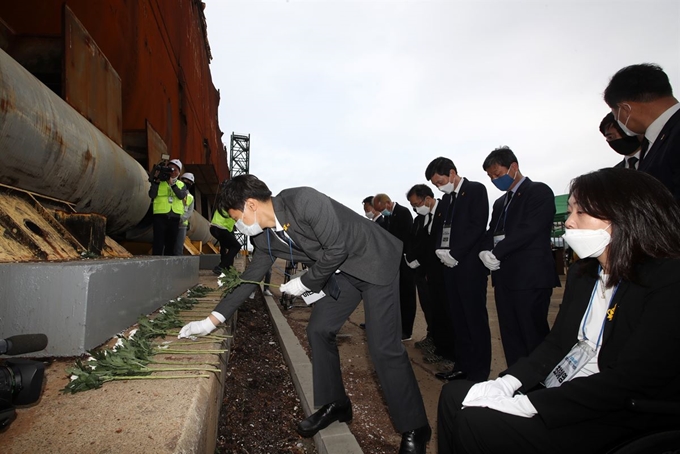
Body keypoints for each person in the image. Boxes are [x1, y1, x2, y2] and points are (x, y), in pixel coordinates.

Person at [179, 175, 431, 453]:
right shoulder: (263, 237)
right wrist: (210, 321)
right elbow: (250, 279)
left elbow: (338, 248)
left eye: (235, 216)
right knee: (319, 329)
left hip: (373, 260)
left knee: (383, 346)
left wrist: (306, 282)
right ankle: (337, 404)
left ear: (250, 205)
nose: (237, 224)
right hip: (343, 271)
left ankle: (416, 428)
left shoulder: (303, 200)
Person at [438, 167, 680, 454]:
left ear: (624, 215)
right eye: (570, 212)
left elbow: (631, 380)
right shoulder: (584, 272)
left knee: (476, 422)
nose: (569, 223)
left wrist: (529, 403)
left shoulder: (666, 279)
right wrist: (508, 383)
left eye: (581, 213)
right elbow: (557, 343)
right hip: (568, 388)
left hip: (620, 410)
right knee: (454, 396)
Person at [479, 146, 560, 368]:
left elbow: (530, 229)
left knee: (532, 332)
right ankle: (516, 379)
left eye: (497, 174)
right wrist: (484, 250)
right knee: (510, 333)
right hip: (504, 276)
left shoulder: (539, 192)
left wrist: (497, 252)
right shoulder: (500, 203)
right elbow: (492, 231)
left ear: (513, 167)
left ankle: (539, 384)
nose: (494, 180)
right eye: (490, 177)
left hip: (530, 276)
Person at [424, 157, 491, 383]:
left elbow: (478, 226)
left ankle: (479, 372)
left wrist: (457, 253)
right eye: (435, 185)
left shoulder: (475, 190)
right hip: (449, 268)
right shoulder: (446, 200)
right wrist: (441, 252)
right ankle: (462, 366)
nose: (438, 187)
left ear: (452, 173)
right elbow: (440, 232)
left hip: (470, 267)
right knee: (458, 320)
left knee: (474, 320)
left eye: (440, 181)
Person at [604, 63, 680, 200]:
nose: (617, 120)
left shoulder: (674, 134)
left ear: (625, 109)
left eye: (615, 115)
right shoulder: (653, 142)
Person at [373, 193, 417, 341]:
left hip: (405, 261)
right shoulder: (388, 217)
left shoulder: (403, 213)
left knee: (407, 297)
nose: (381, 212)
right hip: (395, 262)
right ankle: (398, 327)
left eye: (381, 208)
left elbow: (405, 238)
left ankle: (407, 330)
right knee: (398, 296)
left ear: (386, 203)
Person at [404, 184, 436, 349]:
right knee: (426, 306)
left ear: (427, 199)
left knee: (436, 307)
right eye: (413, 206)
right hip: (419, 272)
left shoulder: (438, 216)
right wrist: (409, 257)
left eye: (417, 204)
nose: (416, 208)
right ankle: (431, 335)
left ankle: (439, 341)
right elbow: (412, 242)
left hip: (433, 272)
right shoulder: (418, 220)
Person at [148, 158, 188, 256]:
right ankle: (156, 265)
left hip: (174, 218)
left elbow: (181, 195)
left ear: (179, 172)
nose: (172, 171)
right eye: (170, 168)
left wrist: (172, 184)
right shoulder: (159, 182)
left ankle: (168, 267)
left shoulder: (181, 184)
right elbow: (152, 195)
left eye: (175, 169)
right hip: (160, 216)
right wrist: (156, 181)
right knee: (158, 242)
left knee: (171, 244)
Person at [209, 205, 241, 275]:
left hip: (215, 228)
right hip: (221, 228)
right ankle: (221, 267)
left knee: (226, 247)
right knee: (236, 246)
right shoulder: (232, 205)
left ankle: (227, 268)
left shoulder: (224, 204)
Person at [174, 172, 195, 256]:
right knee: (169, 244)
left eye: (190, 182)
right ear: (181, 179)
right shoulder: (174, 190)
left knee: (179, 247)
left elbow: (190, 211)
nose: (187, 183)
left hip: (182, 224)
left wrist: (181, 219)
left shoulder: (190, 197)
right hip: (171, 221)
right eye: (185, 180)